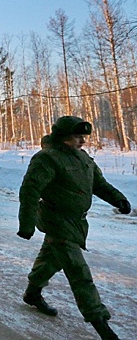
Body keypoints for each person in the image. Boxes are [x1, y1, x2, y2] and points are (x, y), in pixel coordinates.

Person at [17, 116, 132, 340]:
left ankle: (32, 294)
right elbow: (30, 192)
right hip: (57, 222)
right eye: (78, 137)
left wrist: (118, 199)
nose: (83, 141)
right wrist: (27, 224)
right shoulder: (47, 159)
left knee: (51, 260)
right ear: (63, 137)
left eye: (84, 137)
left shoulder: (82, 157)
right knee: (79, 272)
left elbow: (99, 184)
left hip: (77, 223)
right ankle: (101, 325)